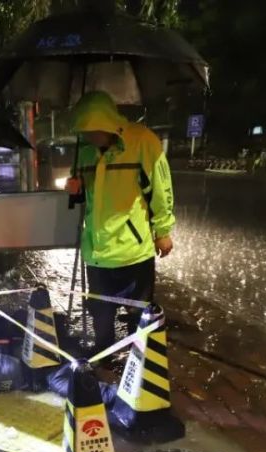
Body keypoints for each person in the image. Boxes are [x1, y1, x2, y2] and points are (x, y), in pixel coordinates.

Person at [64, 91, 176, 359]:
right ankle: (103, 353)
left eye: (94, 130)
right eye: (85, 132)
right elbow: (84, 198)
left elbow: (161, 189)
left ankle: (141, 359)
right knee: (100, 309)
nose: (90, 137)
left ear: (108, 123)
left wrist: (163, 231)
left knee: (138, 310)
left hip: (132, 251)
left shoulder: (143, 142)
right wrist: (76, 189)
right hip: (97, 252)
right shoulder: (86, 152)